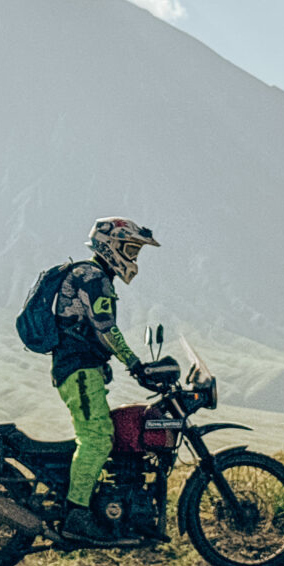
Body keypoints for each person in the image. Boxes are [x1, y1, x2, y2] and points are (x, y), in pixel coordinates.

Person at [51, 217, 160, 541]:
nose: (134, 257)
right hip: (78, 371)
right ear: (110, 245)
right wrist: (134, 364)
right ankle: (76, 516)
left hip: (85, 370)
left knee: (105, 434)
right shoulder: (92, 275)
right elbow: (105, 328)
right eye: (130, 248)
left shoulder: (94, 276)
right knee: (97, 437)